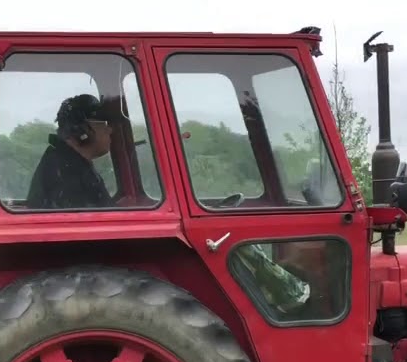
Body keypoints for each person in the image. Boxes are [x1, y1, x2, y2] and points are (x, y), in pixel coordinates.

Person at [24, 93, 311, 314]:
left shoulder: (68, 164)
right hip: (89, 277)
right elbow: (87, 238)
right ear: (83, 131)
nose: (111, 132)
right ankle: (289, 297)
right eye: (106, 125)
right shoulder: (66, 173)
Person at [24, 94, 120, 209]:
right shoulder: (66, 175)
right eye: (102, 124)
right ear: (79, 131)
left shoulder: (70, 163)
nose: (109, 130)